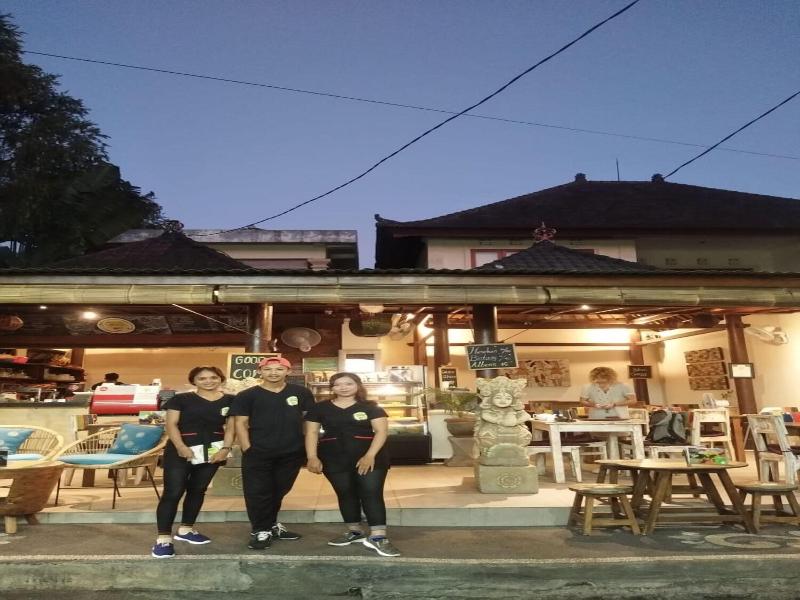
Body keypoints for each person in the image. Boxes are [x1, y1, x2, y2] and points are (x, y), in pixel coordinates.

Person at [304, 372, 400, 557]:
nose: (343, 387)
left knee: (371, 492)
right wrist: (312, 456)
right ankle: (355, 531)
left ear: (357, 385)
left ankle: (378, 537)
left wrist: (369, 455)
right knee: (345, 493)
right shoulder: (319, 408)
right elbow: (312, 433)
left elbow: (381, 431)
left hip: (370, 457)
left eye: (348, 383)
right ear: (332, 388)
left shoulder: (371, 407)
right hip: (333, 456)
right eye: (338, 384)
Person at [231, 356, 315, 550]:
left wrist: (308, 450)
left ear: (288, 371)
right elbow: (240, 423)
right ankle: (260, 530)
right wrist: (247, 448)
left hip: (291, 452)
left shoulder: (301, 392)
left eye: (279, 369)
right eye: (268, 369)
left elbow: (308, 421)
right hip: (258, 451)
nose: (273, 373)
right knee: (258, 492)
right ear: (260, 371)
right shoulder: (247, 395)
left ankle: (271, 525)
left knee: (279, 490)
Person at [151, 366, 235, 559]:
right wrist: (181, 446)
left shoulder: (231, 400)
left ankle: (186, 529)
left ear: (220, 379)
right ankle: (163, 539)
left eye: (213, 377)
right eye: (202, 378)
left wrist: (225, 449)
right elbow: (171, 424)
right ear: (193, 381)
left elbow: (231, 427)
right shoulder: (181, 399)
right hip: (181, 450)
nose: (208, 381)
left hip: (213, 450)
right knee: (173, 492)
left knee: (198, 490)